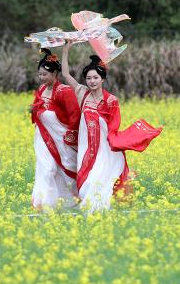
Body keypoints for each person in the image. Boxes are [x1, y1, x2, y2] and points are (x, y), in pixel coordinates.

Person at [60, 45, 162, 212]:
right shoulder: (82, 94)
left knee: (99, 179)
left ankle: (100, 211)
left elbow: (114, 126)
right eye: (89, 78)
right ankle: (89, 212)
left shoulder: (111, 100)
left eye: (95, 78)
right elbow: (65, 74)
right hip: (87, 150)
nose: (92, 81)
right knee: (87, 180)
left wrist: (115, 143)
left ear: (102, 79)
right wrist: (65, 49)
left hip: (104, 149)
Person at [29, 49, 80, 209]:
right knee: (47, 168)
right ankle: (43, 203)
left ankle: (70, 201)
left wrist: (71, 136)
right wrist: (33, 109)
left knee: (66, 169)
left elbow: (74, 115)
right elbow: (38, 107)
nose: (42, 78)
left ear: (55, 73)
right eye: (40, 74)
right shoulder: (42, 90)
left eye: (45, 74)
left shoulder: (64, 91)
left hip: (62, 140)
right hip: (44, 138)